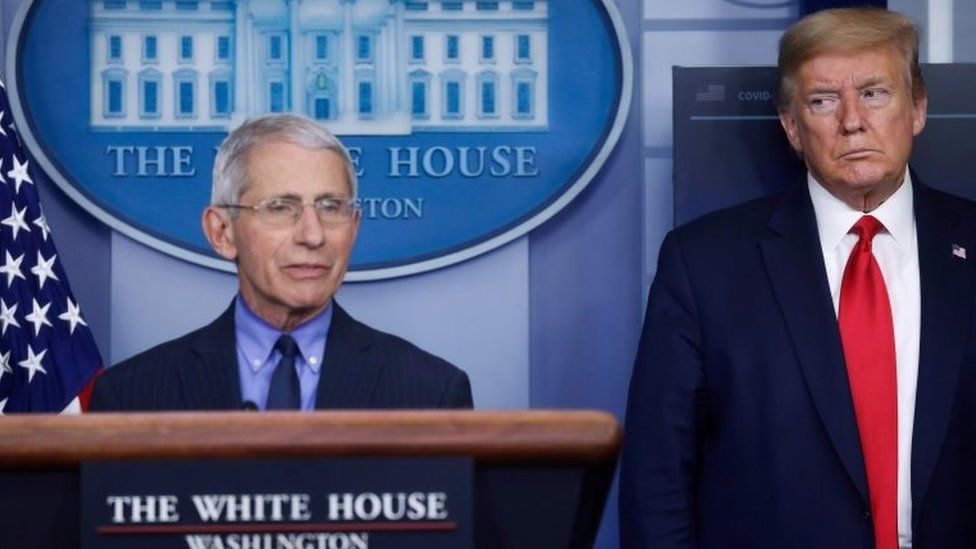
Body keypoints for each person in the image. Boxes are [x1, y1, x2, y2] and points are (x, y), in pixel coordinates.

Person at [620, 8, 975, 548]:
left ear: (918, 109)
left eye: (875, 93)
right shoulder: (704, 264)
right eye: (822, 100)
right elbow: (658, 478)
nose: (852, 120)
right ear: (791, 126)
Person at [90, 114, 472, 411]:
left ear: (354, 227)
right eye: (280, 208)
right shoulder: (131, 396)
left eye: (330, 207)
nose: (313, 234)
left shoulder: (431, 391)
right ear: (222, 232)